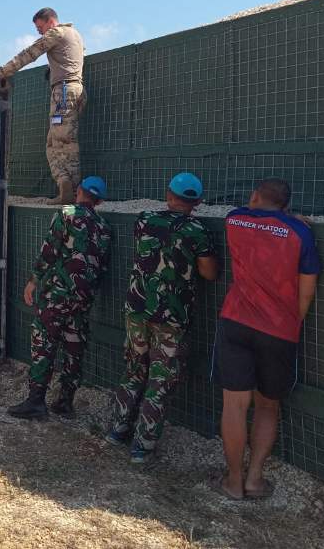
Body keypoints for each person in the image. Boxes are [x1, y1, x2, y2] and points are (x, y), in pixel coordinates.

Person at [212, 178, 320, 500]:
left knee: (234, 404)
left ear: (255, 196)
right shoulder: (301, 234)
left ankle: (233, 480)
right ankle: (255, 478)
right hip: (279, 330)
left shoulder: (235, 219)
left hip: (236, 322)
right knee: (268, 406)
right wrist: (290, 323)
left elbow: (249, 214)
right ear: (286, 205)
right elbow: (306, 292)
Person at [106, 172, 219, 463]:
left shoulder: (145, 220)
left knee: (134, 369)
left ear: (169, 195)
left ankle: (117, 430)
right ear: (198, 202)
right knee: (160, 379)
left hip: (137, 309)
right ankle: (142, 447)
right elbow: (208, 272)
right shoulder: (198, 230)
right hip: (172, 317)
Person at [7, 176, 111, 419]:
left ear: (79, 192)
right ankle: (65, 401)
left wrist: (33, 280)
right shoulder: (104, 227)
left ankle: (36, 401)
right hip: (83, 298)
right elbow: (102, 267)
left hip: (57, 294)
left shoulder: (67, 213)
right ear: (100, 200)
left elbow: (50, 250)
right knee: (74, 347)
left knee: (44, 344)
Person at [0, 8, 86, 205]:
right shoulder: (75, 35)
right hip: (73, 89)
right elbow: (68, 58)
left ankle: (73, 193)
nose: (39, 32)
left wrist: (2, 72)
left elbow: (30, 53)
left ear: (50, 22)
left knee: (65, 142)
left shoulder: (56, 33)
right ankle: (66, 184)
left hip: (64, 92)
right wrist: (53, 69)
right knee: (53, 143)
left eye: (40, 27)